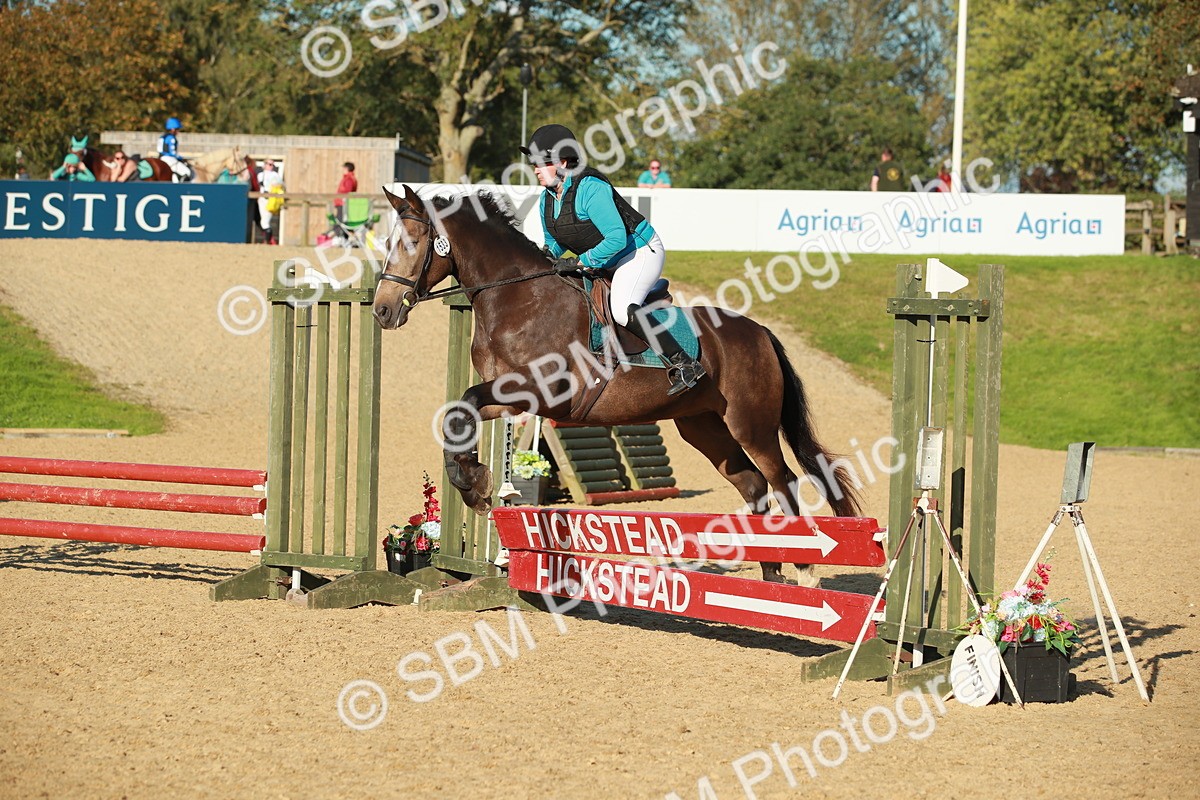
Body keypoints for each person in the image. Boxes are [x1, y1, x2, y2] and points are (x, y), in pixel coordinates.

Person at [520, 124, 704, 396]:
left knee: (621, 309)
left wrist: (580, 261)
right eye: (533, 162)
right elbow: (555, 243)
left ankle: (685, 363)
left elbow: (617, 238)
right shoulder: (547, 198)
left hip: (639, 252)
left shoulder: (590, 187)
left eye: (542, 162)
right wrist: (545, 260)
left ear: (564, 161)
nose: (535, 169)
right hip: (606, 258)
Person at [256, 159, 284, 245]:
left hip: (270, 199)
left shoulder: (275, 175)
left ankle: (268, 241)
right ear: (264, 165)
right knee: (263, 221)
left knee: (265, 221)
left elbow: (280, 185)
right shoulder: (260, 175)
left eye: (272, 165)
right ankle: (268, 240)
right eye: (269, 164)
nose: (271, 166)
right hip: (262, 199)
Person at [156, 117, 192, 181]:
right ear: (173, 129)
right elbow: (173, 153)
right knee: (187, 172)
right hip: (169, 159)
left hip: (160, 157)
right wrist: (181, 158)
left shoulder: (162, 136)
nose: (178, 131)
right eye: (177, 129)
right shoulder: (171, 138)